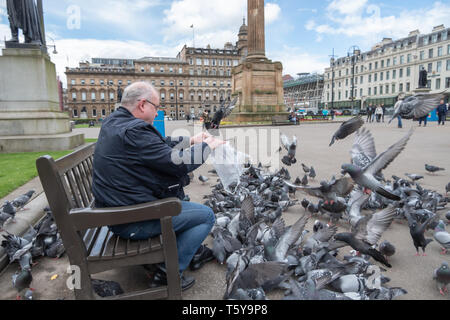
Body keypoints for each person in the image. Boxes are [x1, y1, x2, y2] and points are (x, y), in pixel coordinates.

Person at [92, 82, 225, 291]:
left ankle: (188, 251)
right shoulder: (134, 130)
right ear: (143, 104)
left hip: (117, 210)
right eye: (156, 106)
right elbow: (178, 163)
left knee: (182, 200)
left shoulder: (114, 122)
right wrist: (208, 146)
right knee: (206, 216)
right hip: (130, 220)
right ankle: (167, 275)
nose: (157, 113)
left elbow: (158, 144)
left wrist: (190, 140)